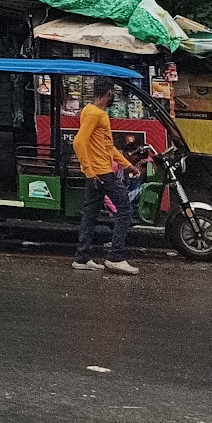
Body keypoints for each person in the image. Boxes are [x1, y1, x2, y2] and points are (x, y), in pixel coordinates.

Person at [72, 77, 141, 275]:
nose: (114, 97)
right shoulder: (96, 114)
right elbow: (78, 142)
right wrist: (90, 170)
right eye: (114, 93)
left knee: (91, 214)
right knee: (125, 210)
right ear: (109, 92)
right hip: (101, 172)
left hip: (97, 172)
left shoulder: (90, 110)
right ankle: (115, 257)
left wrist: (128, 166)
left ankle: (82, 257)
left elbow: (108, 147)